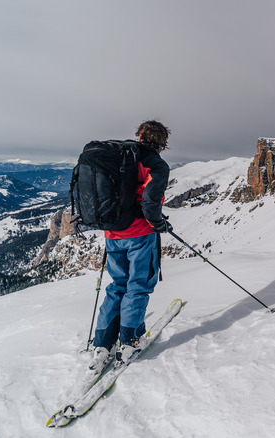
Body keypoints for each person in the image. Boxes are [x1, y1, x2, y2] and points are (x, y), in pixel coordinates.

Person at [88, 120, 173, 372]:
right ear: (162, 144)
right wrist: (159, 224)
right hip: (140, 235)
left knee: (117, 286)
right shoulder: (155, 164)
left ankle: (103, 344)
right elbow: (149, 201)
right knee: (137, 286)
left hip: (113, 233)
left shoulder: (120, 155)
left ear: (139, 135)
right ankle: (129, 341)